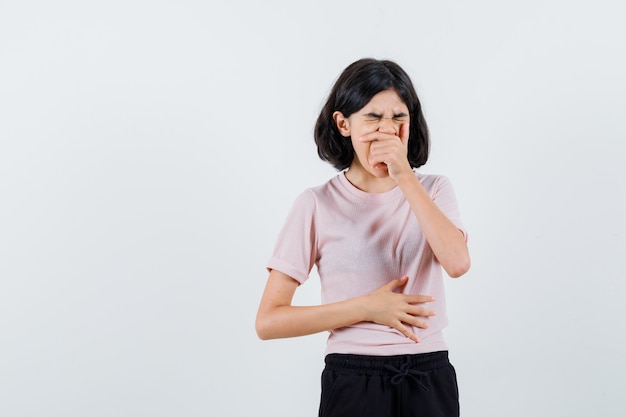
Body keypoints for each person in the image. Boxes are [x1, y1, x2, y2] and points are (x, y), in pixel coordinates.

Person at [255, 58, 471, 417]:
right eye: (372, 117)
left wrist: (405, 177)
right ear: (343, 123)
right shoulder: (316, 203)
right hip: (353, 378)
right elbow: (268, 321)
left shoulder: (434, 189)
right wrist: (367, 309)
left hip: (428, 374)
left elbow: (458, 262)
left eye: (398, 118)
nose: (387, 131)